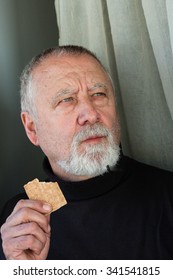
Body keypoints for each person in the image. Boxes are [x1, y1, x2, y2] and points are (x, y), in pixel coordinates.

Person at [0, 45, 173, 260]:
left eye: (99, 94)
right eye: (67, 99)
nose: (91, 114)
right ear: (32, 128)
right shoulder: (17, 224)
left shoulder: (167, 195)